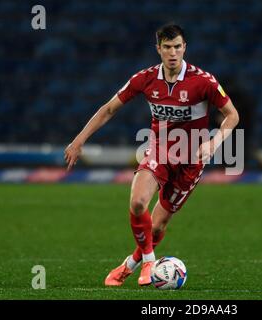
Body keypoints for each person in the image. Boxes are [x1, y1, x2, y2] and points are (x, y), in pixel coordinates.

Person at [64, 24, 239, 287]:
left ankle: (129, 264)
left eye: (177, 46)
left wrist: (215, 141)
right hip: (160, 149)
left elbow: (232, 115)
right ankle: (149, 262)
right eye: (167, 47)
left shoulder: (203, 81)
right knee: (137, 203)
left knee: (156, 227)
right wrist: (79, 140)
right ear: (158, 49)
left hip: (192, 160)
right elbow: (109, 109)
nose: (172, 52)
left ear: (184, 48)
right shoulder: (144, 79)